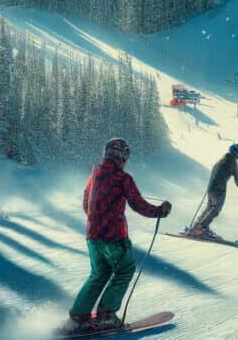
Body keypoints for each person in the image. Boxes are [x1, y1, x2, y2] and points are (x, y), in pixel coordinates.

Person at [60, 138, 170, 335]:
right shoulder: (122, 178)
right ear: (120, 155)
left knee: (99, 273)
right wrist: (160, 211)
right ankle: (106, 316)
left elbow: (86, 198)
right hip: (114, 237)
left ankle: (78, 318)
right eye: (125, 155)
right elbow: (138, 204)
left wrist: (95, 220)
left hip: (93, 235)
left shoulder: (95, 173)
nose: (126, 160)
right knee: (124, 270)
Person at [189, 144, 238, 240]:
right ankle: (202, 228)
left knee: (210, 207)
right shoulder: (232, 163)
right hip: (219, 189)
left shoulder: (220, 161)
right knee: (216, 209)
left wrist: (209, 188)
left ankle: (196, 226)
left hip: (211, 188)